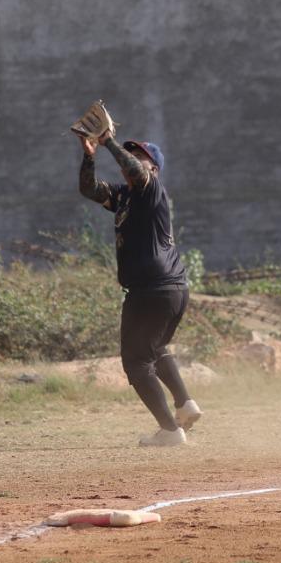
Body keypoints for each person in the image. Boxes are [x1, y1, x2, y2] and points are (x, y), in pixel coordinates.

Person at [78, 125, 202, 447]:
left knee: (135, 362)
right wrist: (89, 155)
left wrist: (107, 141)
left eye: (141, 157)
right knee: (154, 348)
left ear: (155, 168)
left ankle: (171, 432)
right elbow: (89, 189)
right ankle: (185, 404)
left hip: (154, 289)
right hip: (165, 290)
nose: (133, 159)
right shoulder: (124, 196)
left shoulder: (150, 188)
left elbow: (137, 172)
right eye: (131, 155)